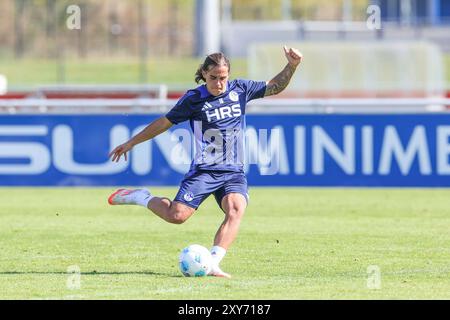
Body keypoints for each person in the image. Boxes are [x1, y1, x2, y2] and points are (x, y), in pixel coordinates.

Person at [108, 46, 303, 278]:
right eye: (213, 78)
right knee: (176, 216)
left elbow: (274, 86)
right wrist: (132, 142)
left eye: (223, 78)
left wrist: (291, 66)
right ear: (204, 73)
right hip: (204, 171)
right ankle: (142, 197)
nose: (218, 83)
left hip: (233, 171)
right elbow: (164, 122)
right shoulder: (194, 99)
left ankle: (212, 263)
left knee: (235, 209)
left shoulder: (240, 89)